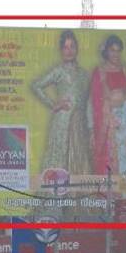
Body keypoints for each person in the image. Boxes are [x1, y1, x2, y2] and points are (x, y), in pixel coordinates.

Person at [31, 30, 91, 175]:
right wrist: (54, 105)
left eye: (72, 46)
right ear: (61, 50)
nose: (69, 50)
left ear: (77, 49)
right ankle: (56, 197)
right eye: (65, 47)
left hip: (80, 125)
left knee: (80, 160)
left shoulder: (84, 74)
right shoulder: (59, 71)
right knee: (59, 160)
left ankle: (78, 196)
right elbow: (36, 86)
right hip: (62, 124)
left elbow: (88, 101)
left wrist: (91, 127)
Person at [89, 34, 126, 177]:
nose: (115, 54)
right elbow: (94, 99)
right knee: (110, 154)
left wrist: (125, 70)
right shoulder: (100, 71)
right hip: (108, 118)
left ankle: (125, 191)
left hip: (125, 117)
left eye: (118, 51)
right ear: (106, 51)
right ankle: (110, 191)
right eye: (112, 50)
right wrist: (107, 113)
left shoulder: (122, 70)